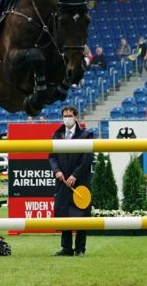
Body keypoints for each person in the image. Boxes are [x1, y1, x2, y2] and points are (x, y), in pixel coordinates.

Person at [48, 105, 94, 257]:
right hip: (62, 182)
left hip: (80, 182)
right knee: (63, 214)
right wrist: (57, 171)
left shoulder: (87, 135)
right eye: (65, 115)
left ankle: (80, 248)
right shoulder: (57, 135)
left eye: (70, 115)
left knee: (81, 215)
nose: (67, 118)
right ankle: (66, 248)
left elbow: (87, 159)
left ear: (76, 117)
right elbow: (52, 157)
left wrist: (75, 175)